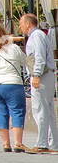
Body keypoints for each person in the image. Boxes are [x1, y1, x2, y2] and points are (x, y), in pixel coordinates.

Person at [0, 24, 33, 153]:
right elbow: (25, 62)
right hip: (12, 83)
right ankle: (18, 143)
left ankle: (5, 143)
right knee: (17, 111)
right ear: (5, 35)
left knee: (0, 113)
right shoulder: (14, 48)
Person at [21, 13, 57, 153]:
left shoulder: (36, 36)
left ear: (28, 24)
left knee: (40, 109)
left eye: (22, 24)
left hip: (41, 76)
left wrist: (36, 74)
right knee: (47, 111)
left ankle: (42, 143)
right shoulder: (39, 35)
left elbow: (39, 57)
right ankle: (53, 143)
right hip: (46, 75)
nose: (20, 27)